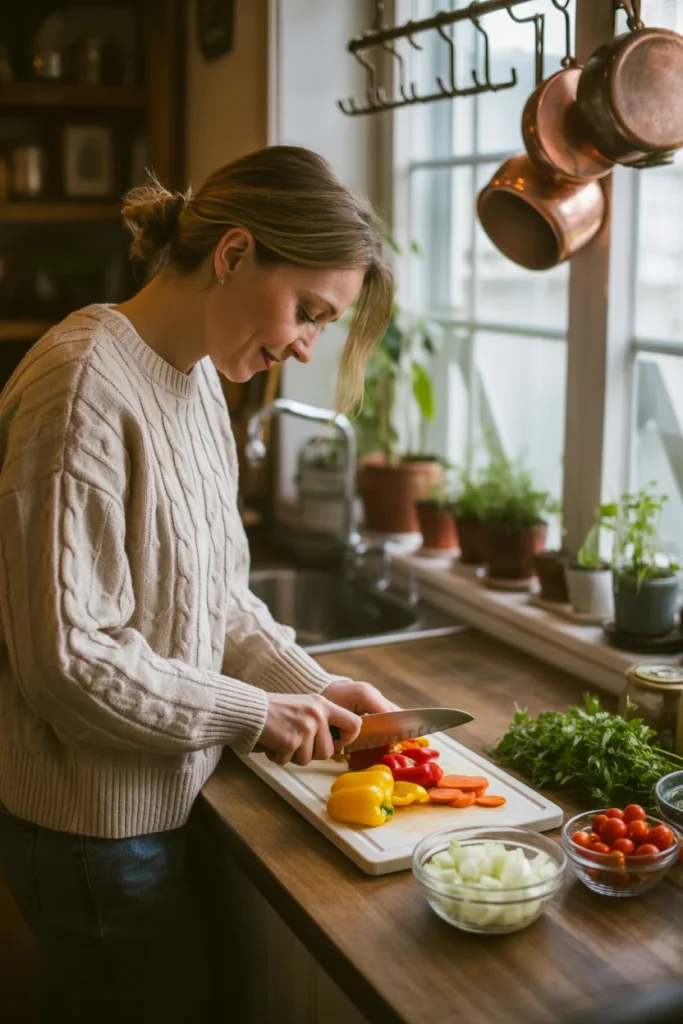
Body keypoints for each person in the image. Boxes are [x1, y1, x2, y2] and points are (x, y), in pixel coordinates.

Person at [0, 145, 395, 1022]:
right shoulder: (82, 386)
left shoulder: (199, 380)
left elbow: (214, 597)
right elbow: (68, 661)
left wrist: (310, 684)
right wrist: (255, 713)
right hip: (90, 830)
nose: (304, 345)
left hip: (162, 803)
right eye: (308, 311)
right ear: (233, 254)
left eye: (322, 325)